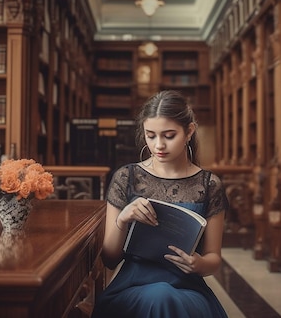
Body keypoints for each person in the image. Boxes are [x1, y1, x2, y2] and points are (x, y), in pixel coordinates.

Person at [92, 90, 229, 318]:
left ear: (189, 132)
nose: (159, 145)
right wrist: (123, 218)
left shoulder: (209, 184)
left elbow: (214, 258)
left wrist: (198, 265)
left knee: (164, 296)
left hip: (187, 287)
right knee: (159, 296)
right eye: (151, 135)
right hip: (132, 286)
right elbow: (109, 259)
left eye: (169, 135)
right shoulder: (126, 177)